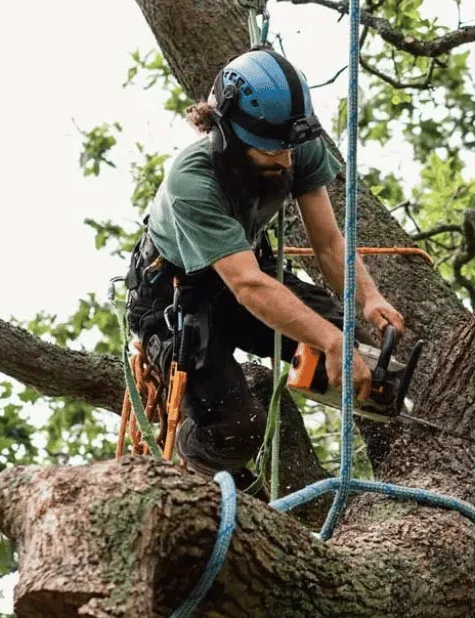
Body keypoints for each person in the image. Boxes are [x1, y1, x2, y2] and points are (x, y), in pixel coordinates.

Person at [124, 46, 404, 485]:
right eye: (271, 151)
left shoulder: (293, 142)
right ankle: (199, 457)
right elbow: (249, 287)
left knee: (364, 358)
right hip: (177, 299)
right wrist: (328, 340)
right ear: (225, 135)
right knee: (237, 427)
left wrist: (367, 297)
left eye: (290, 148)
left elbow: (329, 243)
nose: (286, 160)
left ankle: (398, 461)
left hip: (244, 274)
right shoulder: (192, 181)